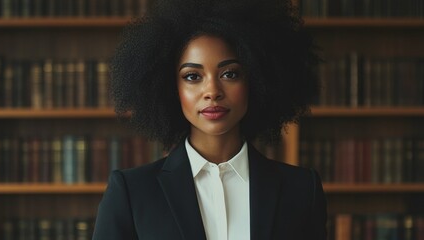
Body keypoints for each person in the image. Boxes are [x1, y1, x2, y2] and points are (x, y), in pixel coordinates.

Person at [93, 0, 327, 239]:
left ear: (256, 80)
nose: (212, 91)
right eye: (193, 76)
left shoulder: (301, 190)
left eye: (230, 74)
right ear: (172, 88)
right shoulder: (132, 192)